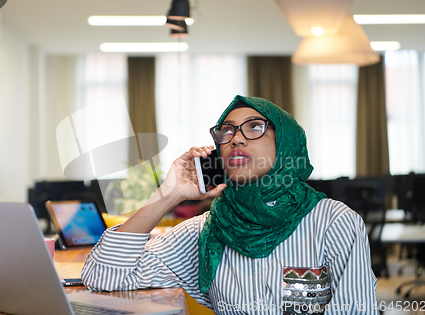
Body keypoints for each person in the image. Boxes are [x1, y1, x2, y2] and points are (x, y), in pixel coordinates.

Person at [81, 95, 378, 314]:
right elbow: (103, 276)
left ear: (285, 142)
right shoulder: (206, 231)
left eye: (254, 127)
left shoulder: (333, 221)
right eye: (227, 131)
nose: (235, 139)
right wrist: (169, 193)